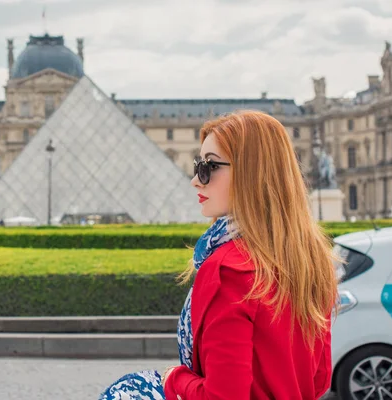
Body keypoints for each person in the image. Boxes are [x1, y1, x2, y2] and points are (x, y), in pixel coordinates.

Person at [99, 110, 339, 400]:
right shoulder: (313, 262)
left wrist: (174, 379)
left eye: (208, 167)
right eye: (198, 165)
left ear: (251, 173)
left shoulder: (228, 270)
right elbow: (319, 380)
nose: (195, 181)